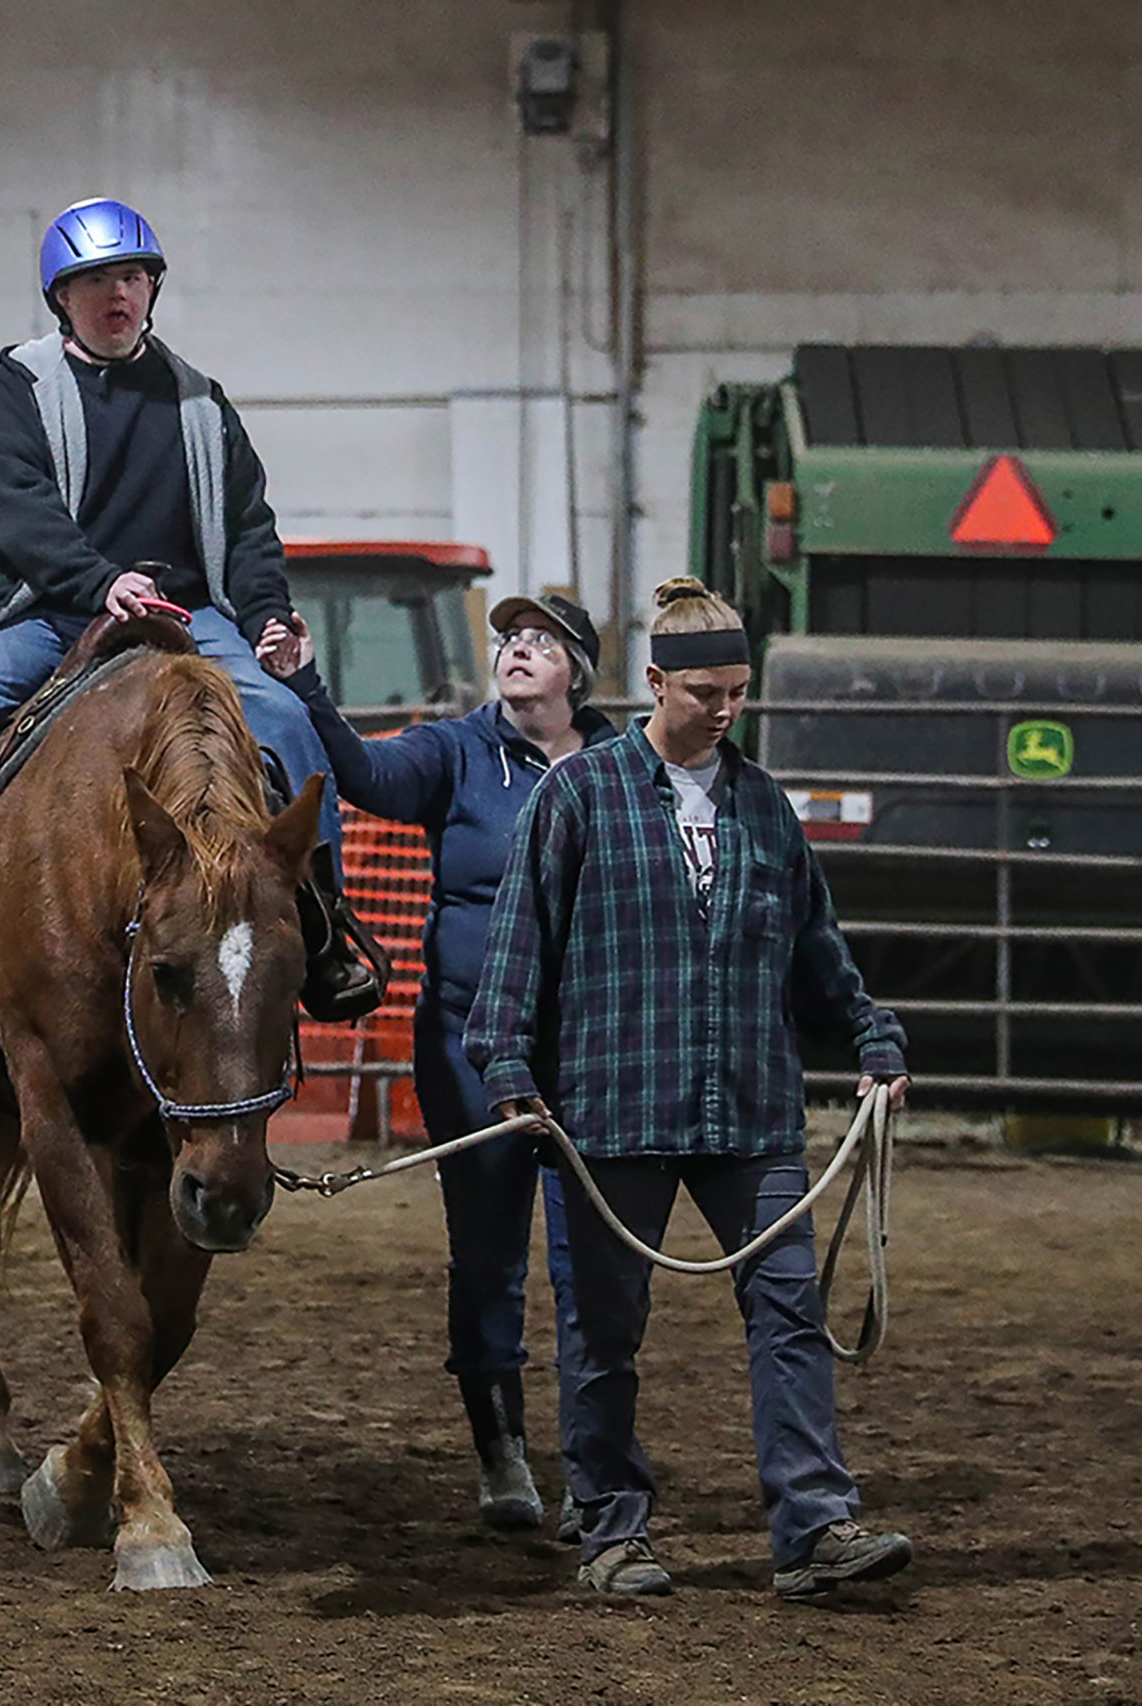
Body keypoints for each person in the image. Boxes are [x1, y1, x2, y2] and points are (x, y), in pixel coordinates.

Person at [464, 577, 914, 1601]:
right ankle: (613, 1531)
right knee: (604, 1330)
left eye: (737, 692)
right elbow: (519, 944)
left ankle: (813, 1523)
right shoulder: (576, 795)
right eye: (704, 689)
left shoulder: (764, 807)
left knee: (787, 1306)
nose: (722, 709)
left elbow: (815, 947)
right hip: (611, 1107)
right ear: (655, 682)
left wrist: (871, 1034)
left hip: (747, 1108)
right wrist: (507, 1066)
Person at [0, 197, 382, 1021]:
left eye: (131, 276)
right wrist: (100, 583)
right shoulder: (17, 388)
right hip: (54, 610)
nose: (117, 294)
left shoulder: (201, 402)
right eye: (95, 280)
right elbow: (18, 509)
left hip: (189, 614)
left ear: (152, 288)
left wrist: (265, 612)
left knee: (288, 724)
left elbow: (249, 523)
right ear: (62, 298)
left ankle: (324, 921)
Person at [257, 593, 613, 1534]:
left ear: (580, 670)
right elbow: (366, 774)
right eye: (509, 641)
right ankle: (501, 1452)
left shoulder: (627, 768)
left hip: (590, 1045)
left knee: (593, 1264)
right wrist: (306, 686)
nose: (518, 653)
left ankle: (591, 1465)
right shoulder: (456, 751)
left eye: (541, 642)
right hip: (468, 1039)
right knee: (488, 1251)